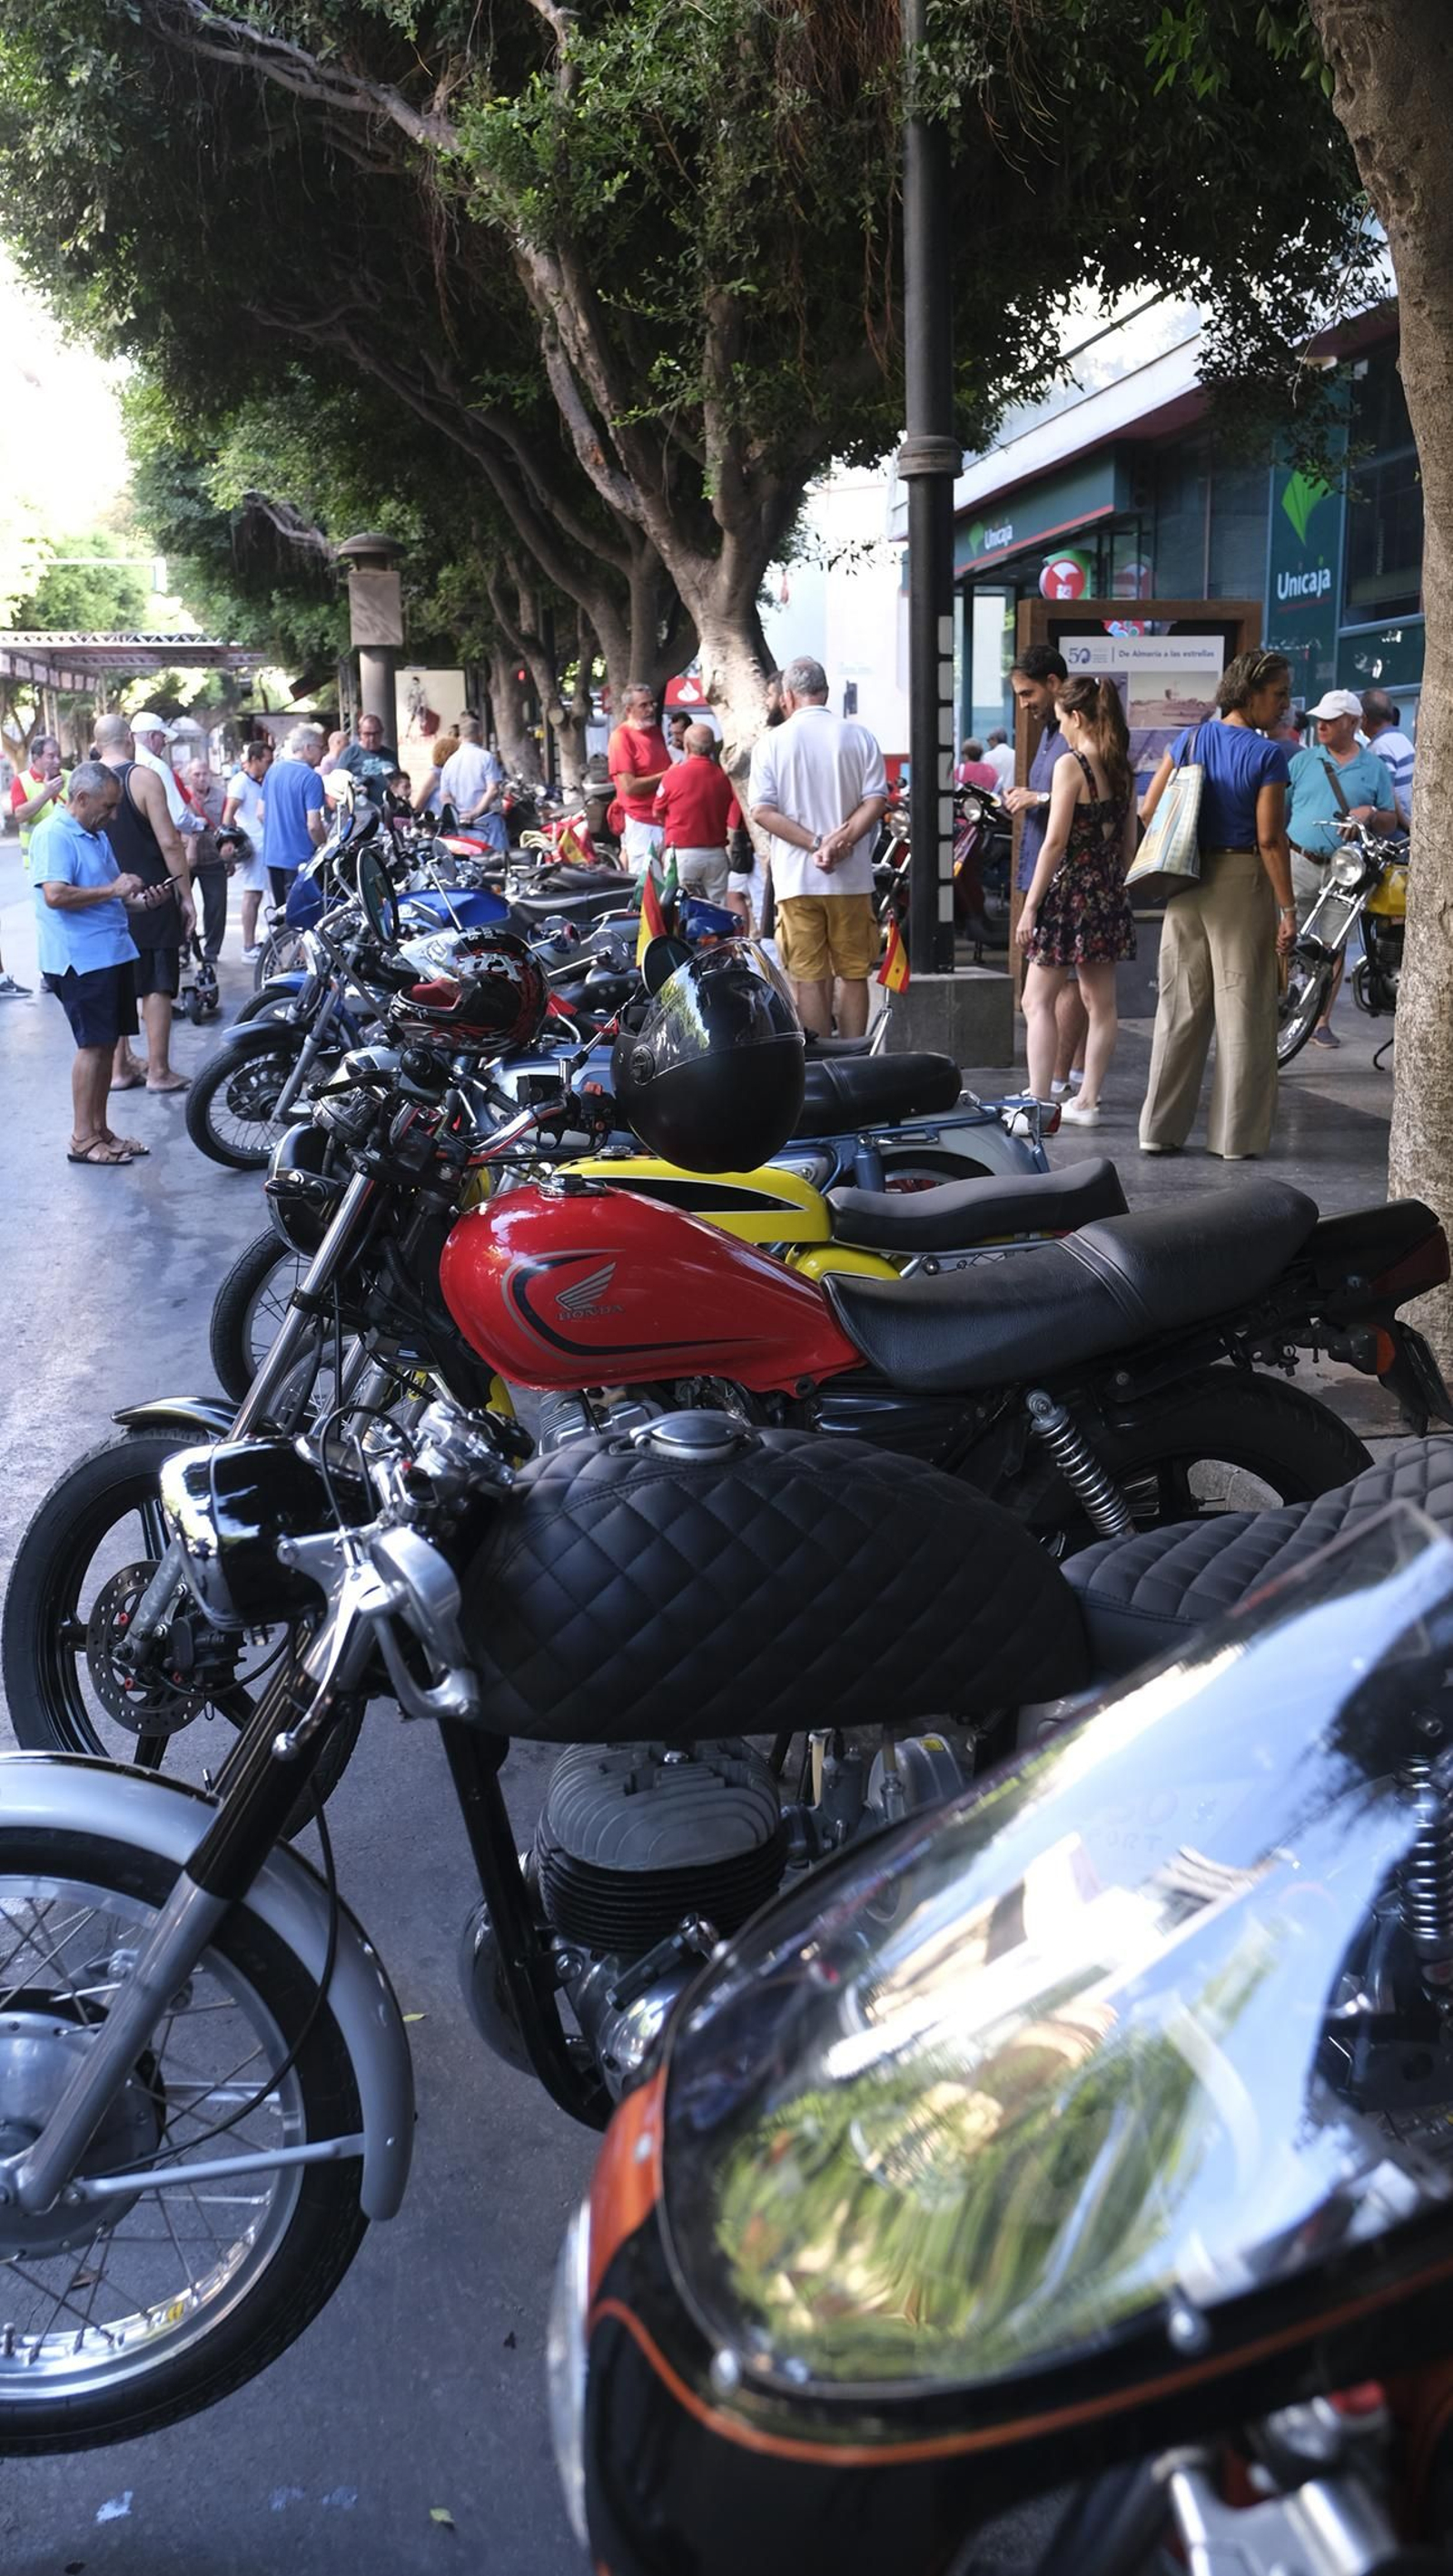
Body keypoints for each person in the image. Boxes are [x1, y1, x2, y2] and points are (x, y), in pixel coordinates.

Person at [1138, 647, 1298, 1161]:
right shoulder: (1268, 754)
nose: (1284, 705)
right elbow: (1271, 840)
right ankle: (1233, 1139)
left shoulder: (1186, 740)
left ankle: (1157, 1130)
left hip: (1186, 879)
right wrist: (1288, 908)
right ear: (1251, 694)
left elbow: (1148, 810)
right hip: (1242, 881)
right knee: (1244, 1012)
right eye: (1278, 694)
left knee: (1179, 1010)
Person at [32, 761, 170, 1164]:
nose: (112, 817)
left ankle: (99, 1130)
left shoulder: (94, 834)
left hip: (111, 952)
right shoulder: (54, 834)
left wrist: (142, 902)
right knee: (92, 1047)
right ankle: (81, 1138)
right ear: (81, 798)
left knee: (107, 1046)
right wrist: (114, 888)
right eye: (107, 808)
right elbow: (56, 894)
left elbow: (112, 897)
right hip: (80, 960)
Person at [1013, 676, 1136, 1128]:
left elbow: (1055, 841)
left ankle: (1040, 1102)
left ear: (1077, 717)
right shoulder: (1121, 767)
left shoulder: (1072, 764)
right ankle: (1087, 1101)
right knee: (1100, 1003)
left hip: (1069, 895)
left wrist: (1031, 906)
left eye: (1062, 719)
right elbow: (1128, 847)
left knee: (1035, 999)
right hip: (1106, 893)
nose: (1060, 728)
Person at [748, 654, 888, 1038]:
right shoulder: (858, 736)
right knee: (855, 974)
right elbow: (876, 800)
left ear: (787, 697)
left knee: (809, 977)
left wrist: (815, 844)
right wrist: (841, 842)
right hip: (853, 881)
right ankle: (857, 1055)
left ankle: (823, 1061)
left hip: (797, 882)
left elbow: (761, 811)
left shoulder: (772, 744)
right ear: (825, 692)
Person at [1286, 687, 1399, 1049]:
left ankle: (1321, 1020)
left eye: (1331, 720)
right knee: (1287, 937)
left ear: (1352, 722)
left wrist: (1370, 815)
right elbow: (1279, 807)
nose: (1321, 725)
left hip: (1346, 871)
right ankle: (1283, 1006)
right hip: (1299, 860)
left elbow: (1390, 819)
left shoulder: (1374, 768)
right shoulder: (1303, 761)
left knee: (1333, 948)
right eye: (1320, 718)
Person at [94, 713, 196, 1093]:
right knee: (156, 981)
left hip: (106, 895)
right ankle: (158, 1070)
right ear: (130, 739)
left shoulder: (84, 780)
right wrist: (186, 896)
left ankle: (120, 1069)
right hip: (152, 892)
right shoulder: (143, 777)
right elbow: (170, 841)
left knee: (121, 979)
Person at [1004, 646, 1084, 1083]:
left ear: (1054, 683)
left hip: (1063, 879)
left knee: (1064, 984)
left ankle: (1054, 1080)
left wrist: (1042, 798)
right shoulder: (1050, 732)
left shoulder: (1075, 735)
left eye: (1027, 692)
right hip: (1043, 871)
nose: (1024, 704)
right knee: (1062, 987)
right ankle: (1065, 1077)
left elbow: (1091, 795)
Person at [653, 723, 741, 904]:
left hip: (683, 854)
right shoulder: (722, 777)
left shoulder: (673, 775)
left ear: (686, 746)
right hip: (716, 854)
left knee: (679, 910)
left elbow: (657, 812)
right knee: (717, 910)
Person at [607, 684, 672, 873]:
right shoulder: (621, 737)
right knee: (645, 882)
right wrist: (666, 776)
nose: (651, 709)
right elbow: (629, 786)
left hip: (664, 818)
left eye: (652, 704)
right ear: (629, 710)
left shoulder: (654, 732)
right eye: (644, 705)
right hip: (641, 821)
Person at [262, 723, 327, 904]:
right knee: (303, 918)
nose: (324, 753)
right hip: (299, 860)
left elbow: (261, 813)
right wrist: (325, 848)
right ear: (307, 748)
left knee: (282, 916)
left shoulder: (273, 771)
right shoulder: (311, 778)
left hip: (272, 857)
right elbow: (314, 826)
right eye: (321, 748)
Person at [222, 738, 271, 957]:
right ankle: (248, 945)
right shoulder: (240, 782)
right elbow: (229, 812)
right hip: (252, 846)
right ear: (254, 760)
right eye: (266, 761)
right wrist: (229, 844)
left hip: (264, 844)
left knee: (259, 894)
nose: (269, 765)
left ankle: (257, 939)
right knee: (252, 894)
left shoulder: (260, 781)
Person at [436, 715, 508, 849]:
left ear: (461, 736)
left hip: (462, 828)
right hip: (487, 824)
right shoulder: (486, 758)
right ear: (480, 734)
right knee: (498, 865)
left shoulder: (450, 762)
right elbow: (493, 790)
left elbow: (445, 796)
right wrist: (475, 813)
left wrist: (457, 815)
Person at [184, 757, 230, 962]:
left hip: (214, 859)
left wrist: (230, 859)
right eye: (197, 775)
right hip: (186, 860)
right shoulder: (181, 797)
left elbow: (229, 828)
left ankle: (212, 951)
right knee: (180, 906)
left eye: (205, 774)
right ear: (189, 777)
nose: (202, 779)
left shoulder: (221, 797)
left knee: (216, 907)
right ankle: (185, 946)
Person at [10, 734, 67, 877]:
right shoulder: (22, 781)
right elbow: (20, 816)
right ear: (36, 758)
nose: (57, 761)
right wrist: (46, 794)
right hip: (39, 861)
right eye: (51, 756)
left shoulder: (71, 777)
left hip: (70, 855)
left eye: (59, 755)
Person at [1359, 687, 1416, 824]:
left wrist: (1407, 828)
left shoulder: (1378, 748)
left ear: (1364, 719)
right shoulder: (1402, 739)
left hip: (1399, 829)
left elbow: (1389, 795)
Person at [127, 711, 191, 832]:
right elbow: (178, 817)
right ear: (152, 737)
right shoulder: (157, 766)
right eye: (163, 737)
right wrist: (197, 824)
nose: (164, 743)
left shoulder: (123, 764)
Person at [333, 712, 400, 803]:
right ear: (360, 733)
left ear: (382, 732)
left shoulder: (390, 755)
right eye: (367, 734)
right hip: (361, 809)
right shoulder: (350, 754)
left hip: (388, 809)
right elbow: (337, 784)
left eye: (376, 734)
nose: (372, 739)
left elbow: (400, 782)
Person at [984, 726, 1015, 798]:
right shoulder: (1015, 754)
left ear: (994, 739)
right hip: (1013, 797)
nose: (988, 743)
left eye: (988, 740)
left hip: (995, 798)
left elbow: (986, 779)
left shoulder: (988, 756)